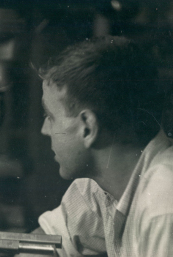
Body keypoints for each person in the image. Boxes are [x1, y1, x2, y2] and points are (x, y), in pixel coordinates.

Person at [32, 36, 173, 257]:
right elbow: (48, 242)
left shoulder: (164, 205)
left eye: (50, 116)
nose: (44, 129)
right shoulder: (101, 187)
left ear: (87, 127)